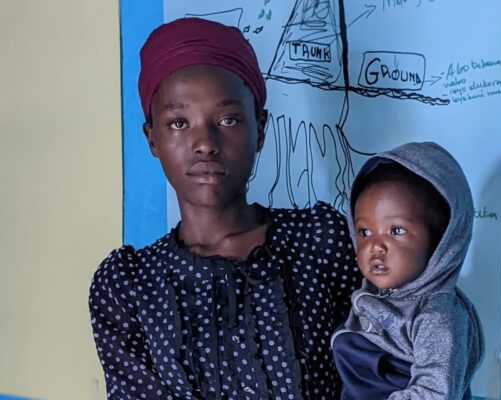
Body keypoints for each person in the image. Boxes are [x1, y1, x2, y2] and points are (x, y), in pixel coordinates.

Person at [89, 17, 361, 400]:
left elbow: (380, 368)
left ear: (260, 128)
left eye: (228, 119)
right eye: (179, 122)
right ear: (152, 138)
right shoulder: (129, 286)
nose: (204, 143)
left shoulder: (321, 242)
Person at [331, 142, 484, 400]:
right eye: (364, 232)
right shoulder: (371, 298)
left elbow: (434, 393)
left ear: (440, 240)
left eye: (396, 231)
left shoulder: (436, 315)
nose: (375, 246)